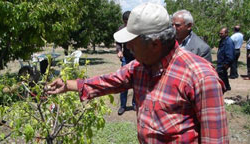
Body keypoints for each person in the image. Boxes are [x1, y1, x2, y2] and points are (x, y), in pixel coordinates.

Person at [47, 3, 229, 143]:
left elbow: (215, 139)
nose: (128, 48)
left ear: (155, 44)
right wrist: (69, 84)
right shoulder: (140, 67)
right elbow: (111, 80)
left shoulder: (200, 77)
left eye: (132, 43)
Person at [115, 11, 136, 115]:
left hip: (137, 58)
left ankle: (135, 104)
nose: (127, 24)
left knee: (136, 82)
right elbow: (118, 43)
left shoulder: (137, 29)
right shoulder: (121, 29)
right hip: (126, 59)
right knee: (124, 81)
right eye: (125, 22)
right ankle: (122, 106)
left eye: (129, 22)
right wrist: (119, 50)